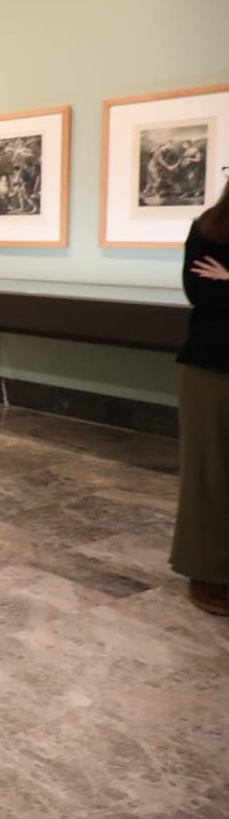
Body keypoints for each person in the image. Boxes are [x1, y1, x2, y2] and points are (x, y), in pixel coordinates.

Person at [173, 172, 229, 616]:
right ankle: (207, 570)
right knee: (208, 474)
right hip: (211, 367)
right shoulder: (210, 226)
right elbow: (200, 291)